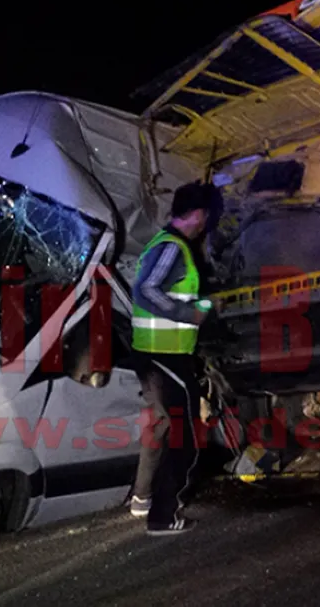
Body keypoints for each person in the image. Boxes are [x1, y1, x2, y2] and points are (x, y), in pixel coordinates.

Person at [129, 181, 219, 534]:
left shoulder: (164, 244)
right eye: (206, 216)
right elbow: (147, 289)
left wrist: (206, 305)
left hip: (155, 354)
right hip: (165, 356)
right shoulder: (172, 248)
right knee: (184, 439)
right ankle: (163, 516)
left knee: (164, 428)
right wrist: (191, 315)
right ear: (198, 215)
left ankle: (145, 501)